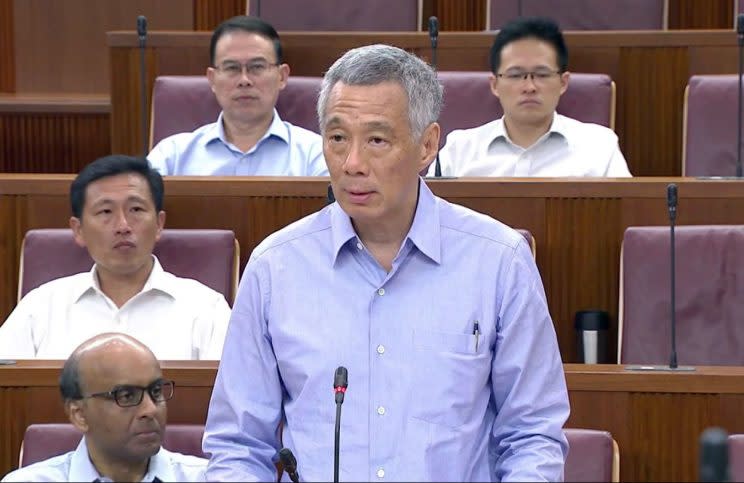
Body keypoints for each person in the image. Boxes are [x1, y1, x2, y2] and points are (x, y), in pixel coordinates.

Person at [203, 44, 569, 481]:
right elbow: (239, 447)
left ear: (427, 145)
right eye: (338, 139)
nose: (352, 163)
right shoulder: (275, 268)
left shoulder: (498, 261)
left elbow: (532, 436)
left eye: (377, 140)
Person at [0, 155, 230, 360]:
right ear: (78, 230)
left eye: (136, 210)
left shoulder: (206, 308)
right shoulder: (41, 306)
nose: (123, 226)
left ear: (159, 224)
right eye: (105, 212)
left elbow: (226, 398)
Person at [430, 16, 632, 177]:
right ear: (495, 84)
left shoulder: (599, 147)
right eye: (516, 75)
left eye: (542, 75)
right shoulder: (459, 150)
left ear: (563, 82)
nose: (529, 86)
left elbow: (623, 216)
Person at [1, 333, 207, 482]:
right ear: (79, 415)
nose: (150, 410)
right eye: (126, 396)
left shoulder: (208, 478)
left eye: (155, 392)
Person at [147, 15, 328, 176]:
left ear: (282, 76)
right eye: (231, 68)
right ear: (212, 79)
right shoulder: (173, 155)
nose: (244, 80)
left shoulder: (315, 155)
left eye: (257, 67)